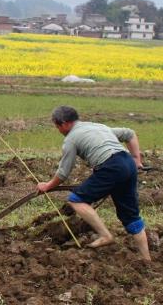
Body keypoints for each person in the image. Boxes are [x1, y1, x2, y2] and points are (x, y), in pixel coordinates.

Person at [36, 105, 151, 261]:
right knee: (131, 217)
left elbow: (63, 173)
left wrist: (47, 185)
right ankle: (147, 260)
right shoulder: (97, 126)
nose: (58, 130)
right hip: (127, 163)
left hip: (111, 167)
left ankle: (105, 235)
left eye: (57, 126)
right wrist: (137, 160)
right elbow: (129, 134)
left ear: (63, 123)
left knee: (76, 200)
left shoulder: (71, 139)